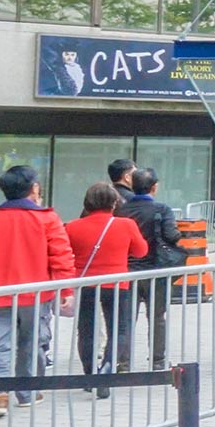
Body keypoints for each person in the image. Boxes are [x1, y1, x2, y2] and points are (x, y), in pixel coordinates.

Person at [0, 166, 74, 413]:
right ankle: (27, 392)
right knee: (32, 343)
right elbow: (61, 256)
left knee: (1, 343)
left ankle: (0, 393)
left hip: (0, 294)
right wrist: (65, 291)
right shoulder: (47, 219)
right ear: (34, 189)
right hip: (36, 294)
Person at [66, 181, 147, 397]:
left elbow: (66, 254)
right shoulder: (125, 224)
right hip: (117, 283)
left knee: (86, 330)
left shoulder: (73, 226)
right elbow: (141, 251)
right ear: (114, 203)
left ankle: (90, 375)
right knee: (118, 329)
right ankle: (108, 370)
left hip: (85, 284)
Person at [116, 167, 184, 372]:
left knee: (126, 319)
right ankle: (157, 361)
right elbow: (171, 235)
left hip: (128, 270)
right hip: (157, 269)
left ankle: (123, 363)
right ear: (154, 187)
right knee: (157, 318)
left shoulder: (121, 210)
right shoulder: (162, 209)